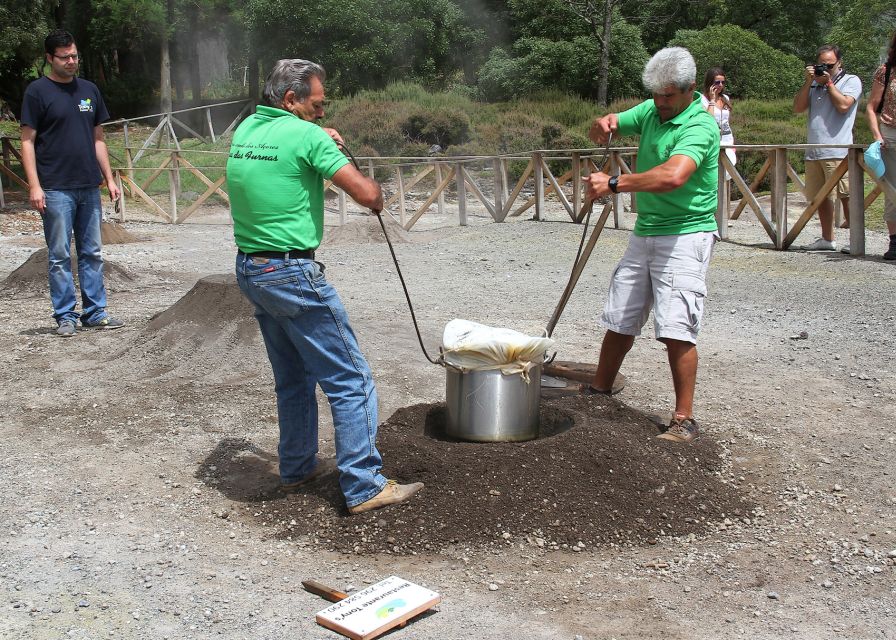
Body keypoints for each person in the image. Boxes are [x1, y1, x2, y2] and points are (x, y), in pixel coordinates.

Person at [226, 59, 423, 514]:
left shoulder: (248, 130)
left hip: (252, 268)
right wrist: (333, 149)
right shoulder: (308, 136)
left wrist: (317, 138)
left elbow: (286, 158)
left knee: (293, 379)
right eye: (316, 103)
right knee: (351, 378)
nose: (321, 110)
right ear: (291, 99)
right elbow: (368, 196)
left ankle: (297, 467)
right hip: (292, 273)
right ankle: (364, 485)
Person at [584, 47, 719, 443]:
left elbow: (673, 175)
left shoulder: (700, 125)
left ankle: (684, 418)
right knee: (621, 313)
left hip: (686, 232)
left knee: (676, 323)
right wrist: (603, 124)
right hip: (647, 230)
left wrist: (614, 183)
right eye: (656, 95)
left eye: (668, 96)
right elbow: (613, 123)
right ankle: (599, 391)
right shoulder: (651, 109)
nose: (660, 104)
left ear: (691, 90)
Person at [20, 29, 123, 337]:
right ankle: (66, 315)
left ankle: (95, 312)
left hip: (88, 186)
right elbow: (27, 142)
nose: (71, 61)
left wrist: (109, 177)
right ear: (49, 58)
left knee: (92, 252)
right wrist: (34, 186)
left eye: (75, 55)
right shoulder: (37, 92)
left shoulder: (89, 90)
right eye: (64, 57)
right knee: (60, 255)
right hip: (54, 187)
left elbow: (98, 139)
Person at [793, 45, 862, 252]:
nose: (826, 68)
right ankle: (827, 239)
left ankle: (856, 239)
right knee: (819, 197)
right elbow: (797, 108)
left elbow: (843, 106)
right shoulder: (814, 84)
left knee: (847, 196)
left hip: (838, 150)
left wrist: (829, 83)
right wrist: (809, 82)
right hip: (814, 149)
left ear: (839, 63)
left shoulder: (851, 81)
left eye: (830, 65)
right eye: (821, 65)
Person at [866, 31, 896, 261]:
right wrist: (877, 135)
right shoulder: (886, 71)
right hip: (891, 134)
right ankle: (895, 242)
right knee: (893, 190)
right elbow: (871, 106)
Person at [701, 67, 736, 176]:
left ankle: (725, 194)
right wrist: (712, 100)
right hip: (713, 143)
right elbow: (707, 119)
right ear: (710, 83)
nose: (720, 85)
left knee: (727, 175)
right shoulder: (702, 99)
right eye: (717, 82)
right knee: (714, 175)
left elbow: (727, 122)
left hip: (728, 141)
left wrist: (733, 142)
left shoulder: (725, 98)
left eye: (723, 82)